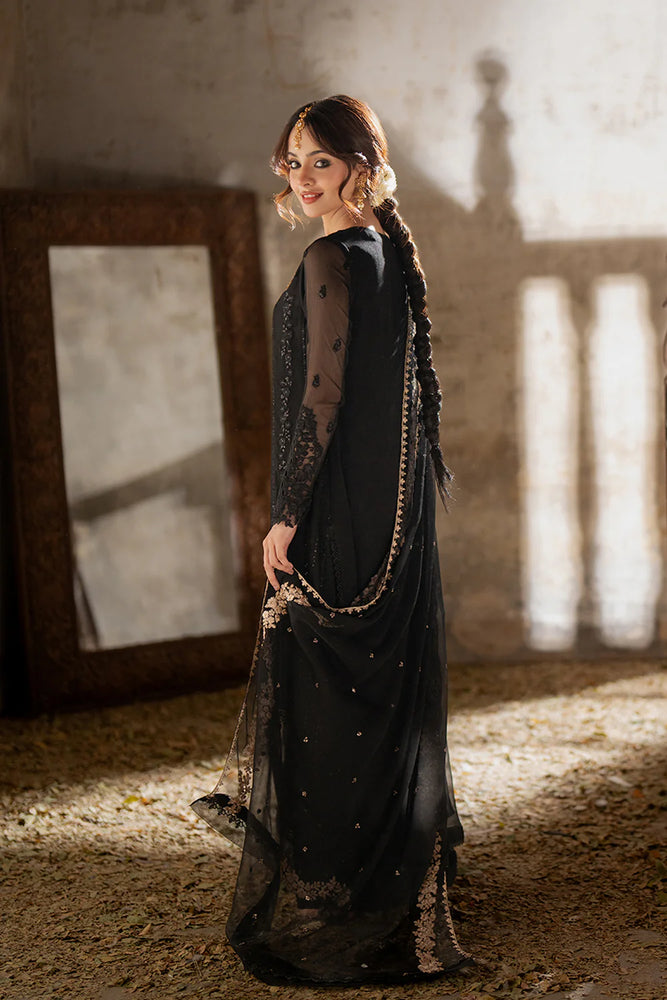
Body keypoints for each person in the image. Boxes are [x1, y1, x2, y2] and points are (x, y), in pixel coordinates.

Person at [190, 95, 471, 986]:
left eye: (321, 160)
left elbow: (323, 395)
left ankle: (342, 888)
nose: (304, 177)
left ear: (360, 166)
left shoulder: (331, 256)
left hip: (345, 506)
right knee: (373, 690)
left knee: (330, 691)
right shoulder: (382, 249)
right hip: (392, 509)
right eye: (294, 160)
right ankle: (384, 880)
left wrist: (286, 513)